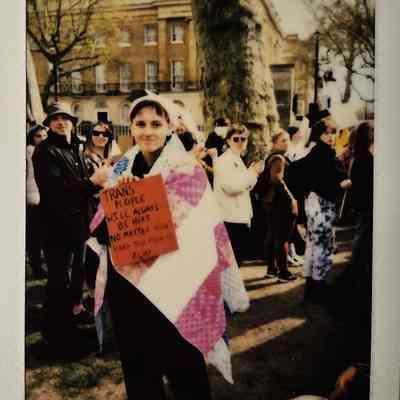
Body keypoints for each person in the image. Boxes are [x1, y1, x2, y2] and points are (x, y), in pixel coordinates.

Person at [89, 94, 249, 399]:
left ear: (169, 128)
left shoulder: (186, 170)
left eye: (155, 123)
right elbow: (100, 232)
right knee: (140, 377)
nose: (147, 131)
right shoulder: (120, 167)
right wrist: (122, 204)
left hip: (177, 288)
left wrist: (143, 199)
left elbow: (201, 232)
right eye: (140, 123)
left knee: (185, 373)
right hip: (130, 293)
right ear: (131, 128)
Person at [32, 103, 109, 358]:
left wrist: (94, 188)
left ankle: (66, 332)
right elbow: (56, 193)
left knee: (73, 282)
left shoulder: (74, 148)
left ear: (73, 122)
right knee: (59, 285)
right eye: (56, 118)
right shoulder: (45, 151)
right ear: (49, 123)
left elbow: (79, 189)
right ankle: (56, 340)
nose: (61, 122)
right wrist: (91, 183)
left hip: (78, 228)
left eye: (65, 118)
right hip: (56, 229)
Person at [296, 121, 351, 304]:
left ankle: (312, 286)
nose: (330, 136)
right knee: (321, 244)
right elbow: (324, 180)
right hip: (321, 205)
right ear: (318, 134)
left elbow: (301, 173)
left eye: (332, 133)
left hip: (314, 204)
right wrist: (340, 184)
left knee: (314, 244)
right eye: (326, 133)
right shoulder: (322, 153)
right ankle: (318, 286)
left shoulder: (318, 152)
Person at [213, 124, 264, 265]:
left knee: (235, 263)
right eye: (236, 139)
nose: (240, 142)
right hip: (230, 219)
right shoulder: (224, 160)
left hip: (238, 217)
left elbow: (246, 187)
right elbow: (231, 187)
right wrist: (252, 173)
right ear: (228, 141)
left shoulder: (237, 159)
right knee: (230, 265)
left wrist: (253, 174)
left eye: (243, 139)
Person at [259, 154, 298, 282]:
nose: (287, 142)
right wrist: (291, 199)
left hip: (269, 201)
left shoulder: (271, 158)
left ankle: (271, 269)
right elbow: (276, 178)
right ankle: (283, 273)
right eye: (284, 140)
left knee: (272, 235)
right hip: (279, 202)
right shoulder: (279, 159)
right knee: (281, 238)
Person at [26, 124, 47, 279]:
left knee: (43, 234)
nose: (41, 139)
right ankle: (36, 266)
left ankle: (40, 264)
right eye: (38, 136)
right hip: (32, 197)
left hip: (46, 198)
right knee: (34, 236)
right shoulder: (28, 151)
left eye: (44, 136)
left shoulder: (49, 151)